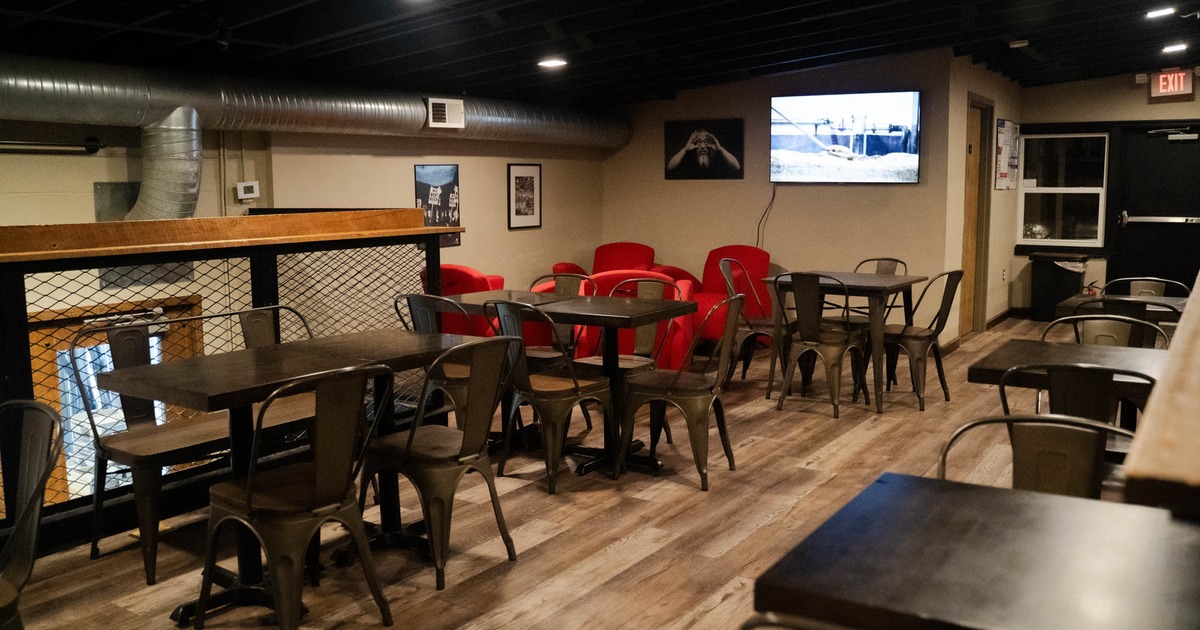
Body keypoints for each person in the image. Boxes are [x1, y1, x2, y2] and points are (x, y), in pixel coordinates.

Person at [666, 128, 741, 179]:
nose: (702, 146)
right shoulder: (687, 160)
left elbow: (736, 166)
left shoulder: (718, 159)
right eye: (698, 142)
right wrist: (685, 149)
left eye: (706, 142)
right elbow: (670, 167)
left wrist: (720, 148)